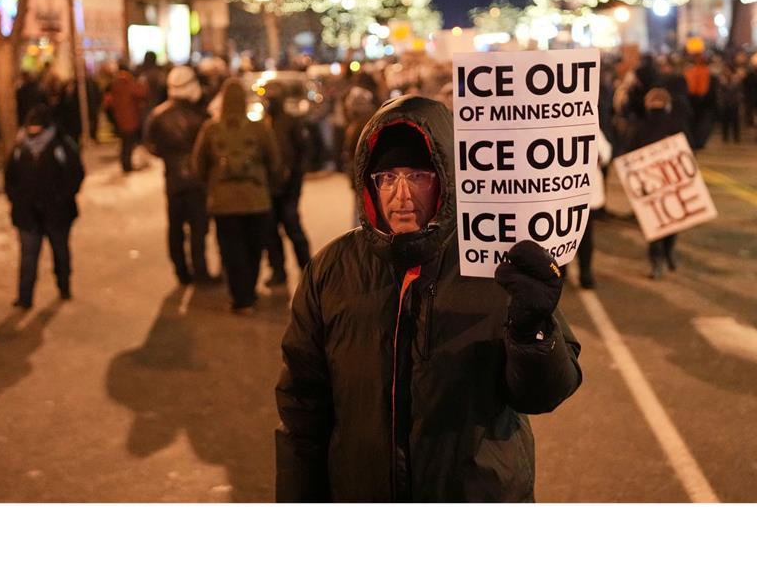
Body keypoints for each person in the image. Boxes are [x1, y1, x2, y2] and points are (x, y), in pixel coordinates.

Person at [275, 95, 582, 502]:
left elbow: (544, 394)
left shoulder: (496, 264)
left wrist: (532, 334)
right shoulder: (332, 269)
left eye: (417, 175)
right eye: (386, 178)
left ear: (447, 177)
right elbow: (302, 410)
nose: (400, 196)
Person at [192, 78, 284, 312]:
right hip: (256, 202)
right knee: (253, 249)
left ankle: (238, 297)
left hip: (223, 204)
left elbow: (198, 165)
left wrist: (212, 186)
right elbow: (274, 161)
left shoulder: (210, 129)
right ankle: (250, 293)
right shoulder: (259, 128)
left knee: (231, 251)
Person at [3, 105, 85, 309]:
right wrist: (16, 199)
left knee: (60, 252)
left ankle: (64, 286)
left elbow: (76, 174)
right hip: (27, 214)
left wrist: (62, 197)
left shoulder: (61, 145)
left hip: (56, 212)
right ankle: (25, 297)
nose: (33, 131)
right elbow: (9, 178)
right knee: (28, 257)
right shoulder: (19, 148)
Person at [143, 66, 212, 285]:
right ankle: (200, 270)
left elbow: (151, 146)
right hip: (197, 182)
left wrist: (170, 158)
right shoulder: (201, 116)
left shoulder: (158, 115)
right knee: (198, 229)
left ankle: (181, 271)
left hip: (173, 181)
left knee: (175, 228)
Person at [624, 88, 687, 279]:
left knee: (654, 226)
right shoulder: (676, 124)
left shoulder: (639, 127)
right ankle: (669, 254)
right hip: (672, 182)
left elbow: (627, 153)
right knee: (673, 220)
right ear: (667, 105)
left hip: (648, 184)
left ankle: (657, 262)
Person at [263, 82, 312, 288]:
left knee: (292, 226)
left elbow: (303, 151)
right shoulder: (264, 123)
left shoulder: (291, 122)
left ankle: (307, 268)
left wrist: (294, 175)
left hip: (289, 185)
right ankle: (278, 270)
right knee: (271, 230)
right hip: (269, 185)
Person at [573, 125, 612, 289]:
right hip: (563, 196)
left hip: (584, 193)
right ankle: (559, 272)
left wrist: (597, 156)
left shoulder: (589, 126)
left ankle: (585, 272)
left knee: (585, 236)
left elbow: (605, 152)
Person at [104, 61, 147, 173]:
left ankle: (125, 164)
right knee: (128, 143)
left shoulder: (114, 83)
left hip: (119, 116)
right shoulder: (126, 81)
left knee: (125, 142)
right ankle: (126, 165)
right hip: (130, 117)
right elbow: (141, 93)